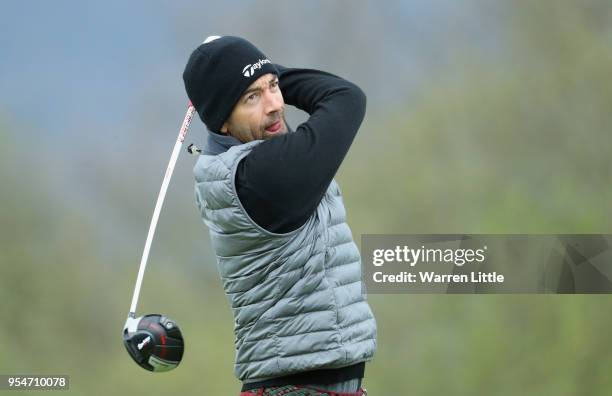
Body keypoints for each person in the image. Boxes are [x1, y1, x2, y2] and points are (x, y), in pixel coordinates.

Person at [183, 35, 377, 396]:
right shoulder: (261, 175)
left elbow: (334, 98)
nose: (275, 105)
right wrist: (256, 70)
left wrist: (246, 74)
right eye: (251, 98)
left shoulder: (241, 162)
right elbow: (345, 98)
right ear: (222, 121)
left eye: (274, 86)